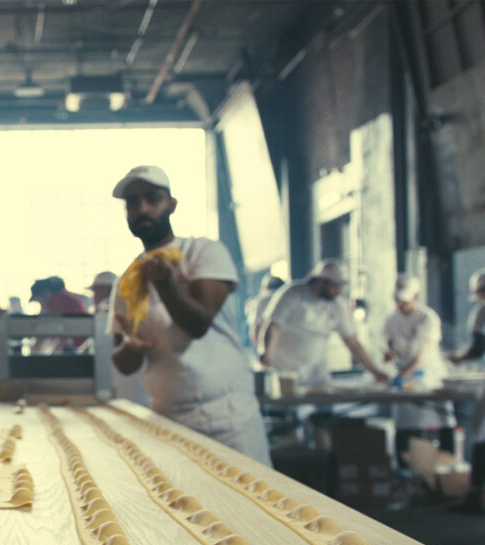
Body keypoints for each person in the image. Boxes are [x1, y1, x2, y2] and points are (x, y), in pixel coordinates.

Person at [107, 165, 270, 465]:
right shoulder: (128, 281)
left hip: (225, 417)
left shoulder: (202, 253)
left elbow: (198, 323)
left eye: (152, 198)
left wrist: (167, 284)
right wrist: (131, 348)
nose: (142, 208)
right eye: (132, 203)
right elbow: (121, 361)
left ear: (171, 204)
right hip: (166, 418)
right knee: (183, 509)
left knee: (250, 506)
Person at [260, 259, 389, 388]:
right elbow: (274, 326)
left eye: (340, 286)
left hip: (316, 373)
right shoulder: (293, 294)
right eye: (334, 286)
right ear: (320, 282)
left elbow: (352, 342)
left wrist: (375, 371)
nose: (338, 290)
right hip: (285, 369)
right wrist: (267, 353)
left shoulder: (338, 305)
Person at [383, 274, 455, 459]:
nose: (401, 304)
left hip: (429, 375)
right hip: (406, 378)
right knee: (405, 422)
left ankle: (446, 465)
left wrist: (405, 374)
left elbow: (424, 352)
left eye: (404, 301)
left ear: (415, 297)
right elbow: (391, 343)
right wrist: (389, 354)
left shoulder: (427, 317)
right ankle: (405, 468)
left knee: (441, 421)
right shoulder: (392, 319)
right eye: (398, 300)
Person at [448, 267, 485, 512]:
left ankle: (475, 495)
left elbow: (477, 349)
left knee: (481, 433)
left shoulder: (483, 311)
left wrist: (455, 359)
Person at [245, 273, 285, 349]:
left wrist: (262, 350)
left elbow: (255, 329)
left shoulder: (261, 302)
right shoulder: (286, 299)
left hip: (267, 347)